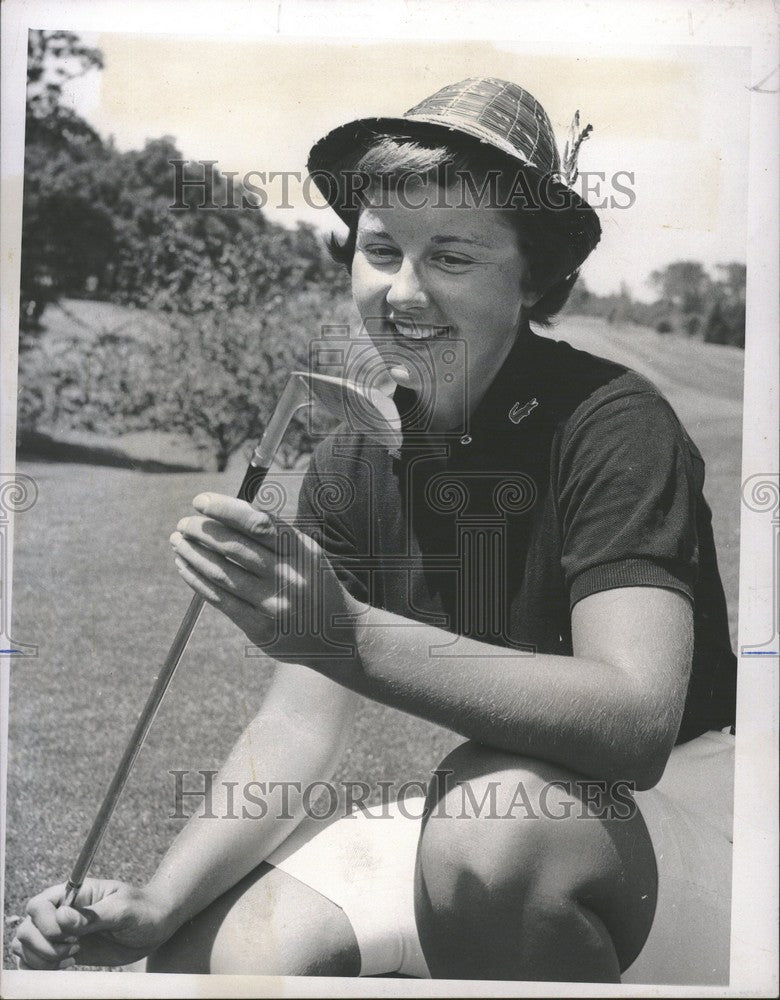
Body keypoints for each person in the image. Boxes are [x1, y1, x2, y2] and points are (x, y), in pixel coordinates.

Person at [12, 77, 737, 983]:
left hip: (691, 825)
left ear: (535, 276)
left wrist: (347, 633)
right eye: (382, 249)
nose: (405, 292)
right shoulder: (354, 461)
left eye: (454, 257)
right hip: (511, 817)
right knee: (213, 961)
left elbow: (635, 723)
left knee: (492, 822)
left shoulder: (612, 421)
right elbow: (298, 723)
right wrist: (160, 899)